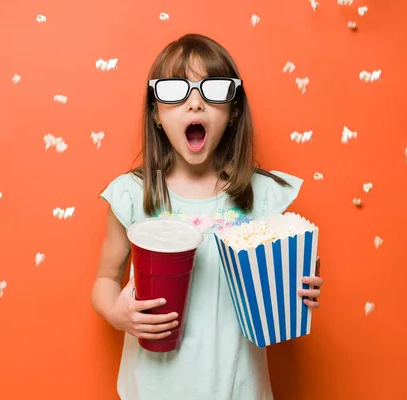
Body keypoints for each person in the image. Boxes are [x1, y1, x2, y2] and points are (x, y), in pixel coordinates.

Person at [91, 33, 324, 400]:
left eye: (212, 89)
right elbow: (105, 278)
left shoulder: (262, 197)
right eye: (175, 91)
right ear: (155, 112)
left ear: (232, 113)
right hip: (155, 388)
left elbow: (286, 279)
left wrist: (301, 287)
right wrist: (117, 313)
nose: (195, 104)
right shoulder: (132, 195)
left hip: (238, 387)